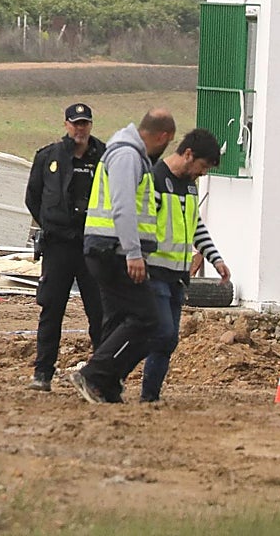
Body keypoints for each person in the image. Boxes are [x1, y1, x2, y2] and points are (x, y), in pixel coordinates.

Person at [71, 109, 176, 405]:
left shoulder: (127, 153)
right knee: (147, 319)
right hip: (113, 250)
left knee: (117, 319)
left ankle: (106, 385)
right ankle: (95, 374)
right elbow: (123, 207)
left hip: (108, 248)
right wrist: (133, 253)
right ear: (163, 136)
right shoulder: (128, 156)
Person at [140, 128, 231, 402]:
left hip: (177, 276)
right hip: (154, 272)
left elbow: (194, 225)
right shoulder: (155, 179)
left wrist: (215, 258)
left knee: (168, 340)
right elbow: (142, 224)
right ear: (188, 155)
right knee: (163, 334)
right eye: (202, 166)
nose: (202, 173)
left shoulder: (190, 186)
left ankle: (150, 396)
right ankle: (111, 375)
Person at [23, 103, 106, 392]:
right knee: (51, 310)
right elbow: (33, 197)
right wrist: (51, 222)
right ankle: (43, 373)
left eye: (84, 123)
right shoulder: (48, 157)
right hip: (58, 247)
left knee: (99, 312)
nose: (80, 129)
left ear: (91, 125)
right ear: (66, 124)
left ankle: (102, 374)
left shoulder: (104, 158)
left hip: (92, 247)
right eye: (75, 124)